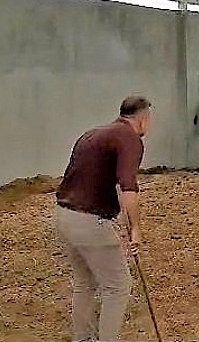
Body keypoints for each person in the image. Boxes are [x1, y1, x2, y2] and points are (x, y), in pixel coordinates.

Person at [54, 95, 152, 342]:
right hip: (90, 221)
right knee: (117, 285)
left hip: (64, 216)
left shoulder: (92, 134)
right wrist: (136, 229)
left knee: (84, 283)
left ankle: (82, 339)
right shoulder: (129, 139)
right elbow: (128, 186)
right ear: (143, 118)